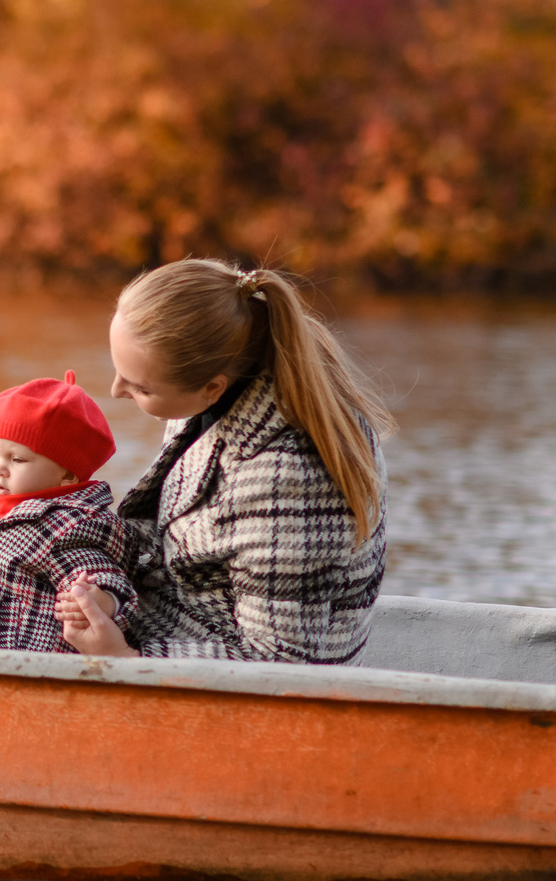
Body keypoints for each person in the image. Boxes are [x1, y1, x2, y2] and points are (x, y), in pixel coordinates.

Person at [58, 260, 390, 664]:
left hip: (237, 690)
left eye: (140, 387)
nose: (114, 391)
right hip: (172, 622)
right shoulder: (212, 395)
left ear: (212, 387)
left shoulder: (287, 475)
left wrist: (125, 659)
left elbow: (282, 664)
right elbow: (170, 533)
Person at [0, 372, 136, 654]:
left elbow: (108, 577)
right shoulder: (1, 517)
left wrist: (98, 598)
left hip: (17, 669)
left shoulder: (68, 528)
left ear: (68, 473)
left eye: (17, 459)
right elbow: (8, 547)